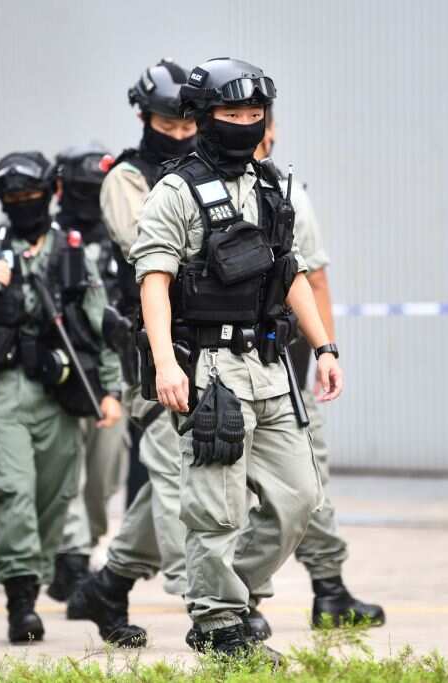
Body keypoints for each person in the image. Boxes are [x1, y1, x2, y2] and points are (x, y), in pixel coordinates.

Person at [130, 57, 343, 659]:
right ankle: (220, 626)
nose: (246, 124)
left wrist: (324, 345)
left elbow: (292, 272)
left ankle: (233, 592)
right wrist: (168, 367)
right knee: (215, 510)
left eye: (255, 115)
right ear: (203, 117)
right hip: (209, 371)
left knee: (300, 498)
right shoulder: (175, 192)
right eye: (232, 114)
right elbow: (153, 280)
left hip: (272, 368)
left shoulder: (274, 185)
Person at [0, 151, 122, 643]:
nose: (24, 205)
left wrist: (108, 390)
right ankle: (20, 600)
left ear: (51, 194)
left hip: (63, 394)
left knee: (55, 497)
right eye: (14, 199)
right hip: (5, 392)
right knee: (14, 494)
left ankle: (38, 568)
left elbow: (99, 325)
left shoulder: (74, 254)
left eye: (32, 196)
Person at [67, 59, 199, 646]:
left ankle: (110, 584)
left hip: (209, 340)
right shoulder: (126, 177)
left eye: (184, 122)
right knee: (174, 469)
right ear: (144, 116)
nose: (176, 132)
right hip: (151, 347)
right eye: (165, 122)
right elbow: (149, 245)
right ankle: (210, 603)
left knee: (173, 477)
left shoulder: (209, 168)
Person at [253, 110, 385, 629]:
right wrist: (327, 350)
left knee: (301, 478)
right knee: (297, 477)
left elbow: (313, 280)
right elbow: (318, 281)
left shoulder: (284, 191)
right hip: (261, 364)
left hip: (280, 360)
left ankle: (327, 587)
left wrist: (323, 352)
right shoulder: (269, 189)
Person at [45, 143, 128, 602]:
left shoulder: (124, 236)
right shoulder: (48, 237)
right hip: (58, 372)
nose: (90, 198)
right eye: (81, 189)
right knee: (64, 471)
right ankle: (70, 557)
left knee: (103, 475)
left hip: (111, 370)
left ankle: (84, 543)